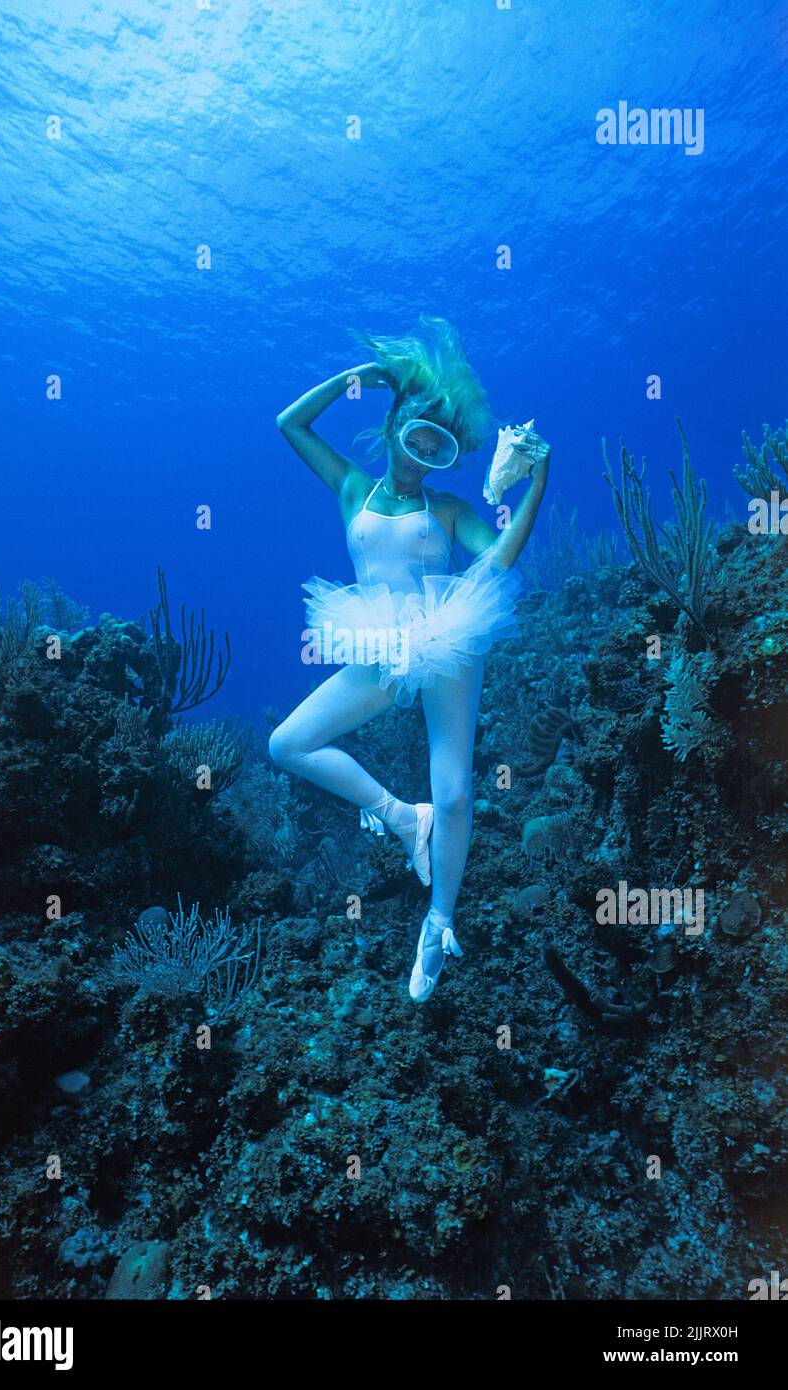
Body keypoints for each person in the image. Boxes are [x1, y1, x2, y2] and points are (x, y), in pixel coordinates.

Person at [270, 316, 550, 1002]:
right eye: (418, 435)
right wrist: (351, 380)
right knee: (288, 743)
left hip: (446, 641)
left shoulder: (449, 507)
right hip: (377, 641)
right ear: (395, 424)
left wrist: (536, 481)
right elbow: (290, 424)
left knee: (454, 789)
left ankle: (439, 922)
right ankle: (401, 816)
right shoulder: (351, 488)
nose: (425, 452)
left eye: (440, 445)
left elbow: (501, 560)